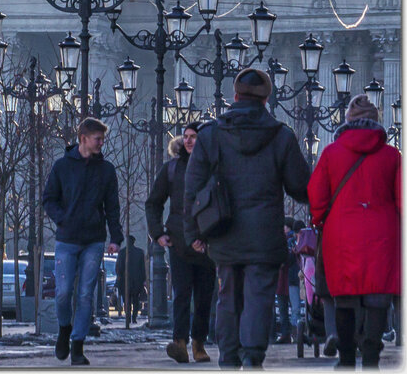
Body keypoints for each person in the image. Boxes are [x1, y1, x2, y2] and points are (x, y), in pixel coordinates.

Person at [185, 67, 310, 369]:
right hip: (265, 235)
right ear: (266, 100)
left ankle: (228, 357)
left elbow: (192, 187)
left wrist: (194, 233)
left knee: (227, 295)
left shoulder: (210, 135)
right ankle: (253, 356)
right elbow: (301, 187)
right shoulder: (282, 136)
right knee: (259, 297)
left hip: (223, 230)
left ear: (235, 96)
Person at [308, 94, 400, 369]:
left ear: (347, 122)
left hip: (341, 234)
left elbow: (317, 195)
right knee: (377, 297)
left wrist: (320, 220)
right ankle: (371, 357)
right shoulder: (392, 155)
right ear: (376, 122)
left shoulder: (331, 153)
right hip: (382, 234)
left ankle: (346, 357)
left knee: (345, 296)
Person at [42, 116, 122, 366]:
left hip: (93, 240)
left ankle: (78, 345)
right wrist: (62, 218)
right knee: (63, 293)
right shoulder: (62, 167)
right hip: (66, 239)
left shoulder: (106, 170)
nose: (101, 144)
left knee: (86, 293)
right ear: (83, 138)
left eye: (102, 139)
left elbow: (112, 207)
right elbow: (49, 199)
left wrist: (115, 238)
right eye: (98, 139)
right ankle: (64, 330)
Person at [146, 124, 215, 363]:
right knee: (182, 294)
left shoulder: (213, 168)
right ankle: (181, 343)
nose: (188, 141)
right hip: (178, 242)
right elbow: (153, 202)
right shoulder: (172, 169)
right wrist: (157, 233)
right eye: (185, 137)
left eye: (193, 137)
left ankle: (199, 344)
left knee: (205, 296)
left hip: (207, 242)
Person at [114, 235, 146, 324]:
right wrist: (143, 280)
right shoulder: (139, 252)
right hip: (136, 281)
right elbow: (143, 268)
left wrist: (119, 277)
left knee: (126, 300)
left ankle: (128, 316)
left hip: (125, 280)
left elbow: (118, 268)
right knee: (135, 300)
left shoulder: (122, 252)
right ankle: (133, 317)